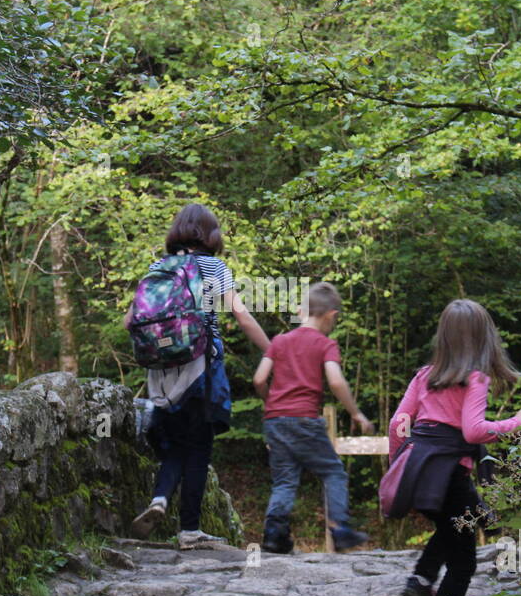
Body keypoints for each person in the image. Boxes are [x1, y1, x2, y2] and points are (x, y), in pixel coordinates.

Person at [388, 299, 521, 596]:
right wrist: (517, 422)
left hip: (419, 471)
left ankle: (420, 581)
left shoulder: (425, 375)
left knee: (457, 526)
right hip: (449, 475)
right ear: (484, 339)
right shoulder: (475, 379)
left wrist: (399, 469)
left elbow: (397, 424)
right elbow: (474, 430)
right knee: (464, 562)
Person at [127, 203, 269, 549]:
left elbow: (130, 320)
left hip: (160, 372)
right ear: (212, 234)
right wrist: (272, 350)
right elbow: (241, 315)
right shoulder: (213, 266)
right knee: (199, 447)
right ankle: (189, 530)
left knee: (173, 446)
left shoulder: (158, 266)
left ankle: (160, 498)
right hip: (200, 368)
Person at [253, 282, 373, 554]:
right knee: (332, 472)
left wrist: (270, 403)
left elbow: (259, 378)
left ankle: (274, 535)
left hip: (275, 420)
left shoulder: (279, 341)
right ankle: (340, 528)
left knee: (284, 480)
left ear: (300, 311)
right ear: (331, 315)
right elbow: (336, 381)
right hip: (305, 419)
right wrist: (355, 412)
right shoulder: (325, 344)